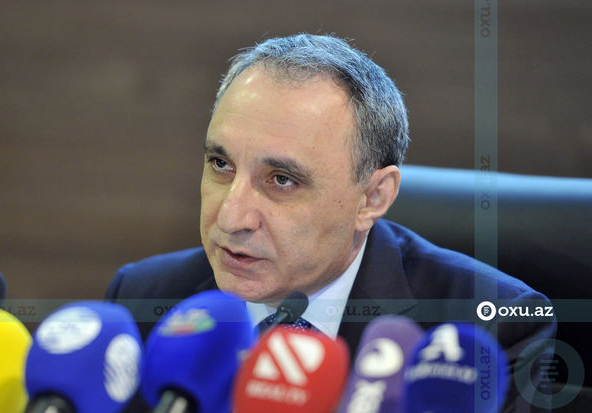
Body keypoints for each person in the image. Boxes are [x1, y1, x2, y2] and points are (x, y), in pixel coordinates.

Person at [106, 33, 555, 412]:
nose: (230, 216)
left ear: (373, 198)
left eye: (282, 180)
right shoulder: (144, 301)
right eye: (221, 165)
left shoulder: (490, 329)